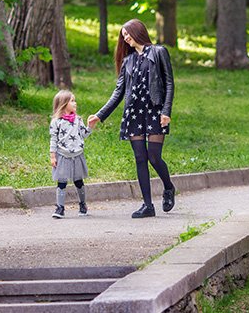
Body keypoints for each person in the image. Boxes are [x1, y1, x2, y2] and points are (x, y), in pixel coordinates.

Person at [88, 19, 175, 219]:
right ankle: (147, 205)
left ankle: (168, 187)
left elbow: (169, 84)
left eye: (128, 33)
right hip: (134, 114)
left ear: (138, 31)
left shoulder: (158, 52)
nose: (126, 38)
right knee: (139, 158)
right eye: (123, 36)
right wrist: (100, 115)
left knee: (154, 156)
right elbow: (118, 93)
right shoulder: (128, 61)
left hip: (154, 111)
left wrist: (166, 111)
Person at [50, 90, 95, 219]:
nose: (75, 103)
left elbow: (84, 134)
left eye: (75, 100)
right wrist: (53, 156)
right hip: (63, 155)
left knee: (78, 181)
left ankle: (82, 205)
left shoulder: (78, 120)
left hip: (77, 155)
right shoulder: (56, 122)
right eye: (72, 100)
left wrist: (90, 126)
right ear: (63, 104)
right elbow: (53, 139)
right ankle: (60, 208)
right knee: (62, 182)